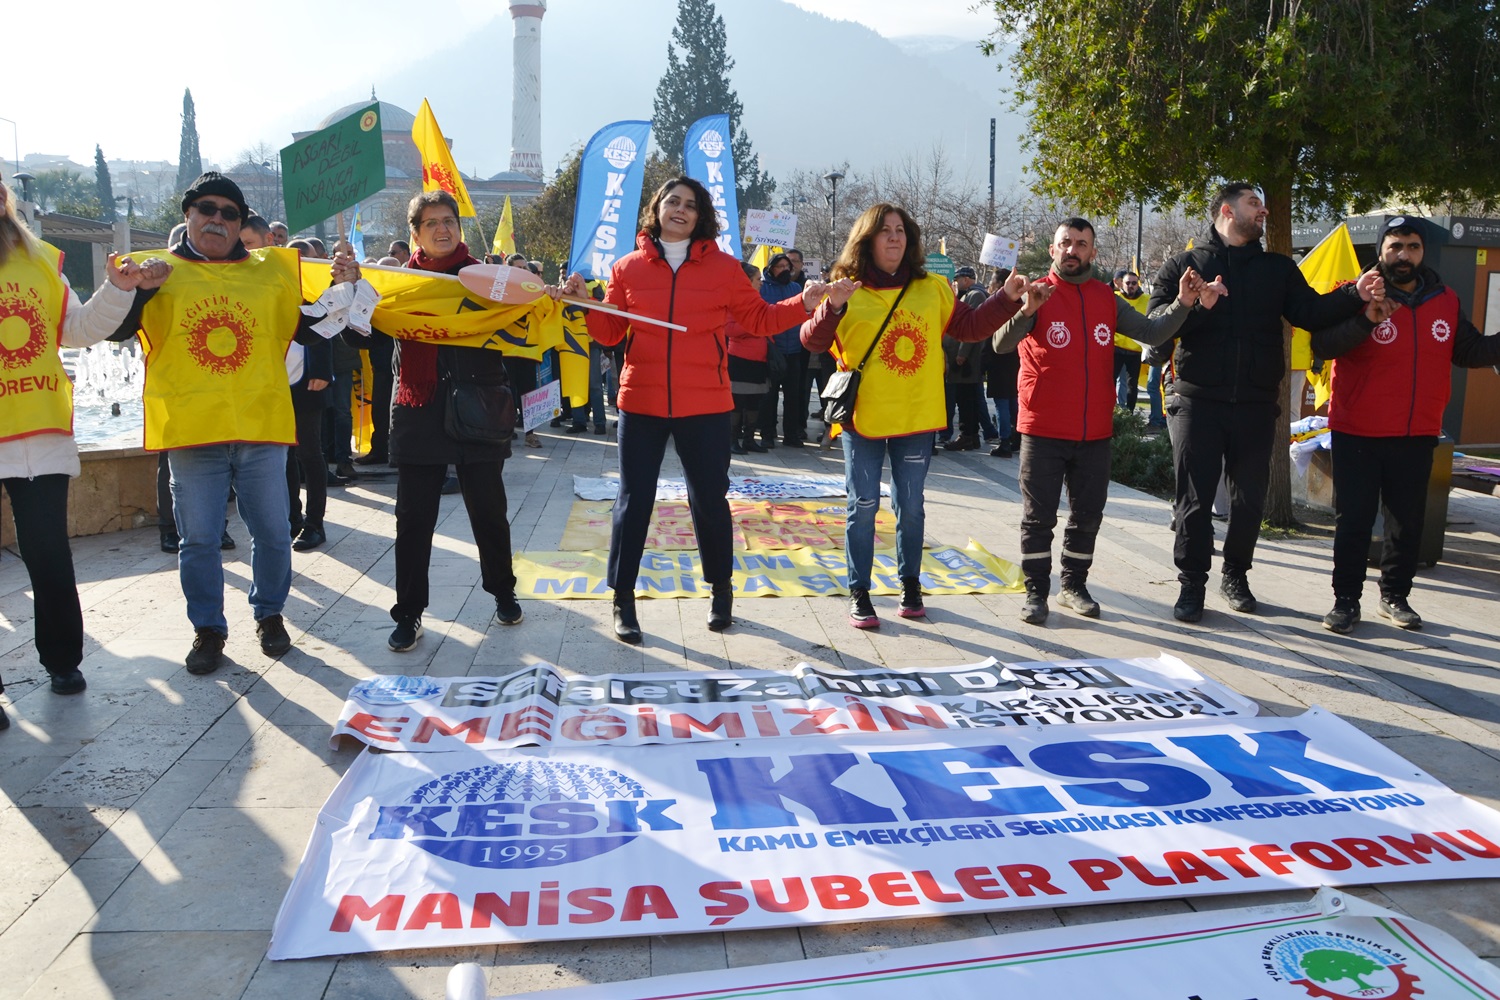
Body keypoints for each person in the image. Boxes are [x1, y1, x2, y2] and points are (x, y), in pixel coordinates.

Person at [110, 172, 360, 673]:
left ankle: (269, 614)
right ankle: (208, 630)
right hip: (192, 433)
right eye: (207, 208)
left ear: (241, 223)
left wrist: (343, 286)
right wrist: (135, 290)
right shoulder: (156, 272)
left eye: (230, 213)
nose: (218, 219)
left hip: (260, 428)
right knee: (198, 539)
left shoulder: (271, 271)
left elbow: (309, 331)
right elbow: (116, 331)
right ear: (189, 216)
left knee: (272, 531)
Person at [561, 177, 823, 644]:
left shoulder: (724, 269)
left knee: (709, 500)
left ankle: (720, 590)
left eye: (690, 205)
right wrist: (585, 302)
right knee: (632, 501)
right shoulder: (627, 268)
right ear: (657, 208)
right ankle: (623, 598)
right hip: (640, 400)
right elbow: (609, 334)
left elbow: (760, 320)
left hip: (705, 403)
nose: (680, 210)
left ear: (701, 215)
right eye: (672, 201)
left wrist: (803, 302)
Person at [1150, 182, 1375, 623]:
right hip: (1196, 401)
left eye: (1265, 204)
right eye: (1255, 203)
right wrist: (1194, 304)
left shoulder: (1278, 268)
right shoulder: (1184, 265)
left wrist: (1355, 294)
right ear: (1228, 211)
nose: (1264, 211)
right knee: (1194, 502)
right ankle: (1192, 584)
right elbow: (1155, 333)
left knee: (1250, 499)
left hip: (1255, 403)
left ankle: (1236, 576)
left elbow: (1311, 313)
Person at [800, 203, 1028, 629]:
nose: (894, 237)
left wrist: (1006, 299)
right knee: (862, 505)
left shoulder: (934, 288)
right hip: (863, 418)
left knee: (911, 506)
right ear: (867, 239)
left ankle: (909, 584)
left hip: (916, 418)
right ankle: (860, 590)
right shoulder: (844, 287)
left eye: (900, 230)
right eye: (884, 230)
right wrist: (831, 309)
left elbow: (972, 327)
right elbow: (812, 342)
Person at [993, 218, 1212, 624]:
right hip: (1042, 428)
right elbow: (999, 343)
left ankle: (1074, 586)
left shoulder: (1106, 299)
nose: (1072, 250)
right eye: (1065, 243)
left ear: (1093, 252)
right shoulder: (1036, 292)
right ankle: (1037, 593)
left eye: (1081, 244)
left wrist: (1183, 302)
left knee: (1088, 514)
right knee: (1037, 518)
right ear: (1054, 249)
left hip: (1094, 431)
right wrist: (1027, 311)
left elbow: (1151, 330)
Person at [0, 182, 161, 728]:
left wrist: (117, 289)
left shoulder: (43, 262)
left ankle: (63, 660)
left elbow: (78, 331)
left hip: (37, 433)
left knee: (48, 553)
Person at [349, 190, 524, 652]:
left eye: (450, 220)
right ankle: (408, 613)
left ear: (459, 228)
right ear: (415, 234)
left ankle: (503, 592)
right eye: (432, 223)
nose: (443, 229)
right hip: (418, 407)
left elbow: (525, 323)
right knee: (413, 519)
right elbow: (358, 334)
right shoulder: (396, 283)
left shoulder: (488, 279)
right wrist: (350, 290)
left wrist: (534, 289)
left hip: (479, 405)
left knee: (489, 513)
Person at [1313, 217, 1500, 634]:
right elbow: (1322, 345)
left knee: (1406, 522)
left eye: (1412, 247)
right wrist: (1367, 319)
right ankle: (1346, 601)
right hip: (1357, 430)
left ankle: (1395, 597)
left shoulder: (1445, 299)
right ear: (1381, 251)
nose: (1403, 255)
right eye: (1395, 246)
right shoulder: (1356, 291)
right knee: (1355, 520)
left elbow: (1468, 350)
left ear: (1422, 252)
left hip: (1417, 433)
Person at [279, 238, 334, 550]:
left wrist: (322, 371)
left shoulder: (319, 288)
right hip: (275, 380)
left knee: (309, 453)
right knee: (283, 454)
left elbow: (327, 327)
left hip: (309, 380)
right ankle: (291, 519)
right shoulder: (272, 283)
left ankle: (315, 523)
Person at [758, 252, 808, 448]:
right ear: (771, 269)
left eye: (788, 267)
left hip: (794, 349)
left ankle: (791, 434)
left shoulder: (796, 288)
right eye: (781, 266)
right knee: (769, 397)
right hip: (772, 350)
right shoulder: (763, 289)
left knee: (793, 395)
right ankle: (767, 434)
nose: (785, 270)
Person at [941, 266, 989, 451]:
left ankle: (968, 434)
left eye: (959, 278)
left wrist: (962, 352)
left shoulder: (975, 295)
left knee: (967, 399)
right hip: (960, 358)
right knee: (965, 398)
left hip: (967, 361)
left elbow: (971, 326)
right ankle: (969, 434)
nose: (957, 281)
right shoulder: (967, 294)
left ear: (967, 279)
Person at [727, 262, 771, 454]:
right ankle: (732, 440)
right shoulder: (732, 301)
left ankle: (749, 439)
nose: (761, 282)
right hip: (740, 360)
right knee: (737, 403)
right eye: (757, 279)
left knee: (754, 402)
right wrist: (755, 326)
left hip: (760, 360)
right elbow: (729, 329)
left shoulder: (758, 300)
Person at [1112, 268, 1147, 413]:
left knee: (1132, 385)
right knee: (1109, 382)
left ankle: (1129, 414)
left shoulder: (1147, 299)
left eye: (1134, 283)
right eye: (1128, 283)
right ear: (1121, 284)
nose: (1131, 286)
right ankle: (1110, 412)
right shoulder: (1113, 297)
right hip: (1116, 348)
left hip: (1135, 350)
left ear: (1138, 284)